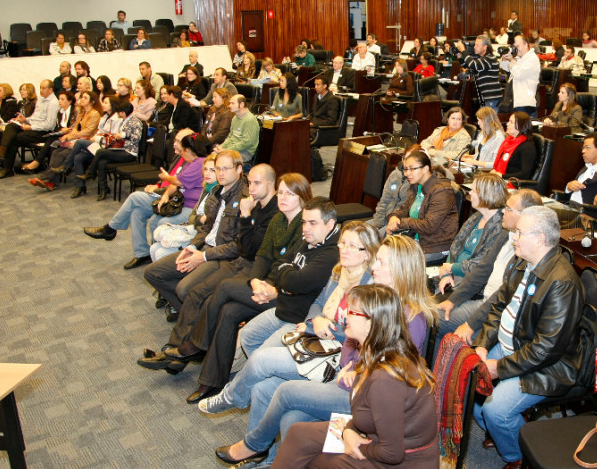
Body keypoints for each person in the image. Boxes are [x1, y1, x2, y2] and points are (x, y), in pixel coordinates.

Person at [204, 234, 435, 466]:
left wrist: (354, 371)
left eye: (381, 262)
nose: (373, 266)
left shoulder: (411, 318)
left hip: (366, 397)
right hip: (347, 376)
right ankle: (267, 458)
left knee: (284, 392)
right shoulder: (377, 296)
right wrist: (351, 364)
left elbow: (393, 375)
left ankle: (253, 446)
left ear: (402, 269)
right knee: (269, 393)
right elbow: (350, 344)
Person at [161, 196, 340, 403]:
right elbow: (276, 263)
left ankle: (195, 347)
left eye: (312, 223)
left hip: (291, 308)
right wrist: (269, 279)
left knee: (225, 287)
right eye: (304, 222)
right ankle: (212, 380)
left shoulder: (329, 252)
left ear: (330, 224)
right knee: (229, 311)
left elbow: (296, 282)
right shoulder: (299, 232)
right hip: (278, 296)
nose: (306, 228)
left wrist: (281, 281)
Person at [138, 172, 311, 362]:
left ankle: (187, 350)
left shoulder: (274, 214)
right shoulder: (255, 206)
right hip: (237, 260)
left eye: (257, 183)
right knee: (195, 292)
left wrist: (245, 216)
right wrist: (196, 246)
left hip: (247, 267)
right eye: (250, 182)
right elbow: (221, 233)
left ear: (270, 185)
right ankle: (176, 349)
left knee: (209, 294)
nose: (251, 188)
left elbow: (252, 251)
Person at [271, 284, 438, 469]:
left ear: (371, 323)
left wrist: (353, 444)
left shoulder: (385, 378)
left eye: (353, 312)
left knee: (317, 462)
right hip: (372, 438)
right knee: (298, 434)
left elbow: (392, 453)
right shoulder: (375, 352)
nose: (345, 316)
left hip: (404, 462)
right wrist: (349, 431)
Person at [472, 205, 584, 467]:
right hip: (511, 346)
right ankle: (502, 431)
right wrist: (482, 345)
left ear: (540, 239)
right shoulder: (523, 262)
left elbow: (545, 349)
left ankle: (517, 457)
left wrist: (498, 367)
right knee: (472, 379)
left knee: (494, 408)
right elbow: (498, 306)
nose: (513, 237)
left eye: (519, 233)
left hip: (548, 366)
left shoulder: (562, 283)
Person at [141, 162, 278, 324]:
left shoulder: (246, 200)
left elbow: (240, 247)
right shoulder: (214, 191)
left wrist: (204, 255)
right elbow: (203, 225)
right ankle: (189, 314)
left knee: (187, 290)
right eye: (216, 169)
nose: (219, 173)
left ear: (239, 170)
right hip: (209, 247)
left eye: (224, 168)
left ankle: (192, 319)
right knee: (152, 272)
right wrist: (192, 246)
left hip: (224, 256)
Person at [82, 130, 205, 269]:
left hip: (184, 204)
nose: (176, 147)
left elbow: (176, 181)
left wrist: (163, 183)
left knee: (135, 198)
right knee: (137, 211)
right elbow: (174, 185)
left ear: (188, 149)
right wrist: (164, 193)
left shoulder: (198, 162)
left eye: (179, 143)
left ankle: (111, 228)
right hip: (172, 198)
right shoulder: (187, 160)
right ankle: (142, 253)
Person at [449, 189, 544, 347]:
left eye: (508, 209)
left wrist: (471, 324)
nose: (502, 212)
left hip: (493, 314)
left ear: (524, 215)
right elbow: (482, 269)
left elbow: (503, 297)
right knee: (434, 317)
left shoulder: (526, 250)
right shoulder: (506, 233)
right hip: (484, 303)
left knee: (436, 320)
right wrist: (453, 300)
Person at [433, 173, 507, 341]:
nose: (470, 193)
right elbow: (455, 247)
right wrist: (447, 272)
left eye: (474, 190)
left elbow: (479, 266)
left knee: (432, 317)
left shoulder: (500, 227)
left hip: (473, 287)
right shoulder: (476, 217)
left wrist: (450, 268)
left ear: (486, 195)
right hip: (452, 276)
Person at [386, 149, 459, 262]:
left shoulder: (441, 190)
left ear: (425, 168)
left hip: (435, 246)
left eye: (412, 169)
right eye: (406, 169)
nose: (407, 174)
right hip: (416, 239)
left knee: (396, 263)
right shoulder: (416, 185)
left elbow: (429, 226)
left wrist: (401, 223)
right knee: (383, 252)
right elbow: (404, 209)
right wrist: (394, 217)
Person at [28, 90, 102, 196]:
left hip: (87, 142)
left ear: (92, 101)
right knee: (56, 152)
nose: (82, 99)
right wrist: (68, 137)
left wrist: (70, 137)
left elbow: (88, 131)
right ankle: (52, 182)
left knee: (63, 153)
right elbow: (76, 128)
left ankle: (45, 179)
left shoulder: (94, 113)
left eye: (85, 98)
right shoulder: (82, 112)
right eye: (82, 97)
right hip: (77, 140)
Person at [149, 153, 219, 261]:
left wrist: (198, 219)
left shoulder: (219, 192)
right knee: (154, 248)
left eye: (212, 170)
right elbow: (193, 217)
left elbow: (210, 223)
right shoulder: (206, 188)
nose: (207, 173)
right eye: (205, 169)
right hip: (194, 228)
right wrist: (199, 218)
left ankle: (171, 274)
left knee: (160, 253)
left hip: (202, 236)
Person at [0, 80, 60, 180]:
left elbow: (49, 125)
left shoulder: (53, 103)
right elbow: (35, 117)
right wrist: (25, 119)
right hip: (33, 126)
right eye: (40, 88)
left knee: (14, 138)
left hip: (42, 132)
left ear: (50, 90)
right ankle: (1, 151)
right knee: (11, 126)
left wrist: (30, 127)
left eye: (43, 88)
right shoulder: (41, 99)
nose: (41, 90)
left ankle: (6, 167)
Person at [77, 102, 143, 201]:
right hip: (121, 149)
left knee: (100, 152)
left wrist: (124, 135)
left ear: (124, 112)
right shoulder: (124, 120)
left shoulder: (135, 122)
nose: (119, 115)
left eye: (120, 112)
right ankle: (104, 189)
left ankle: (90, 172)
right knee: (102, 162)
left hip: (129, 153)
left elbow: (137, 138)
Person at [18, 90, 72, 173]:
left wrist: (66, 130)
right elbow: (56, 127)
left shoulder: (74, 112)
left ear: (69, 101)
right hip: (59, 136)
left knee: (51, 140)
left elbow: (75, 127)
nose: (59, 101)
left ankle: (38, 162)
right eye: (59, 99)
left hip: (69, 136)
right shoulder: (60, 112)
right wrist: (61, 130)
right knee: (52, 143)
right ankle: (46, 166)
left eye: (62, 99)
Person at [371, 144, 421, 231]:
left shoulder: (417, 181)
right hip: (385, 217)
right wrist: (377, 224)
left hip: (399, 222)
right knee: (361, 231)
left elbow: (407, 211)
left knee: (373, 238)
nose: (405, 163)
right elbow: (384, 201)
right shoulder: (395, 174)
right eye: (404, 158)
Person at [454, 35, 504, 111]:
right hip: (488, 97)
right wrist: (459, 55)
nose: (474, 47)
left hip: (492, 97)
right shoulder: (482, 59)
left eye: (477, 45)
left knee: (490, 121)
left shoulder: (489, 58)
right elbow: (468, 66)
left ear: (485, 47)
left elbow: (473, 65)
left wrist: (463, 51)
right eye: (475, 45)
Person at [492, 111, 537, 181]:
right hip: (501, 180)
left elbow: (525, 174)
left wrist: (501, 176)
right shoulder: (508, 141)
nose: (507, 124)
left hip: (513, 184)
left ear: (520, 126)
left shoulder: (527, 147)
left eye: (511, 122)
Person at [501, 34, 541, 115]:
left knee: (525, 127)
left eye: (518, 46)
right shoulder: (519, 58)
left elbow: (518, 74)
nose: (516, 49)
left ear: (526, 44)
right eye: (514, 47)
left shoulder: (532, 59)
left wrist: (512, 60)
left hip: (526, 102)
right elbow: (505, 67)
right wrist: (504, 58)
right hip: (517, 101)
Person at [218, 94, 260, 163]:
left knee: (220, 159)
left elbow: (246, 143)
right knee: (213, 155)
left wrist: (226, 150)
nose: (229, 106)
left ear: (242, 104)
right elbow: (231, 136)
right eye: (230, 103)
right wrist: (222, 147)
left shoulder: (250, 120)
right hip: (233, 149)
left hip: (244, 153)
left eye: (233, 103)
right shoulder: (235, 118)